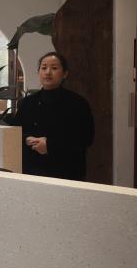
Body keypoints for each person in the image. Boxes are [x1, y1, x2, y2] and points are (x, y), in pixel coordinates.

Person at [8, 51, 95, 180]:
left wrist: (49, 146)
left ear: (65, 74)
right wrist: (27, 139)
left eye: (54, 68)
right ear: (39, 72)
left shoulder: (77, 103)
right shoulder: (28, 102)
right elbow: (14, 132)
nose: (48, 72)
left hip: (67, 172)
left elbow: (85, 138)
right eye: (44, 68)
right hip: (31, 171)